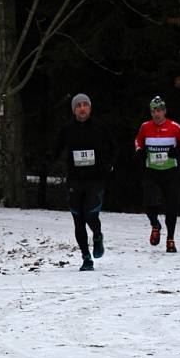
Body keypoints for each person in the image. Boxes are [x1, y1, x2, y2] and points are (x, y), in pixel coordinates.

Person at [51, 93, 118, 271]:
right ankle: (86, 258)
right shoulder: (67, 129)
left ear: (90, 108)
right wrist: (54, 161)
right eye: (78, 105)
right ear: (74, 110)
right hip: (74, 180)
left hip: (95, 179)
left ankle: (97, 235)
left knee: (90, 214)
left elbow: (113, 147)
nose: (82, 108)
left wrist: (109, 165)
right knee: (78, 219)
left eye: (85, 105)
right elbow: (56, 149)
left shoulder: (100, 127)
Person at [134, 96, 180, 253]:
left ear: (165, 111)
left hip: (170, 173)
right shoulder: (145, 127)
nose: (156, 114)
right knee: (149, 203)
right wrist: (139, 151)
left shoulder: (174, 127)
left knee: (172, 207)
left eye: (159, 110)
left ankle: (170, 239)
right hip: (151, 172)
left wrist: (179, 152)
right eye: (153, 111)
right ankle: (155, 225)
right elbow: (137, 142)